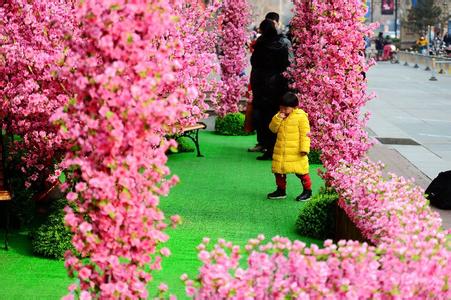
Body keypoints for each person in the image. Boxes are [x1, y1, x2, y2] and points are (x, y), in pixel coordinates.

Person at [249, 19, 290, 159]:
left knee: (265, 118)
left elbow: (254, 62)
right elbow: (289, 63)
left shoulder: (261, 43)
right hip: (279, 85)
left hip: (262, 85)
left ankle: (268, 147)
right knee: (278, 116)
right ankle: (278, 147)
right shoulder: (283, 43)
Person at [267, 92, 312, 201]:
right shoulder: (279, 116)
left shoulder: (301, 117)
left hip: (296, 152)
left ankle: (307, 191)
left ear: (295, 107)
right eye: (281, 107)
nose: (283, 110)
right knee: (279, 171)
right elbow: (272, 128)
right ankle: (281, 190)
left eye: (286, 108)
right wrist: (278, 118)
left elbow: (305, 134)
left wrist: (304, 149)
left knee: (301, 172)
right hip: (281, 151)